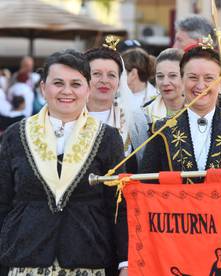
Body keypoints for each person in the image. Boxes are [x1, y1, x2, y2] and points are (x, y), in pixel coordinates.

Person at [0, 49, 128, 276]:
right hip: (25, 256)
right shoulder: (16, 135)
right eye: (58, 83)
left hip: (88, 257)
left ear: (88, 89)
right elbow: (3, 200)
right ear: (42, 88)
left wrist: (124, 261)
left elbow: (117, 206)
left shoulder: (108, 138)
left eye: (76, 84)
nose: (66, 91)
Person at [139, 46, 221, 182]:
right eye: (193, 78)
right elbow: (147, 186)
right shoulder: (161, 130)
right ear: (182, 82)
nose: (201, 86)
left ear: (220, 85)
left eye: (209, 78)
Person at [84, 44, 148, 170]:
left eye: (111, 75)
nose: (104, 80)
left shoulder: (134, 120)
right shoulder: (69, 116)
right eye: (96, 74)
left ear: (120, 81)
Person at [173, 14, 221, 112]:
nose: (174, 46)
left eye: (179, 40)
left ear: (199, 41)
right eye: (193, 77)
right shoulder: (173, 68)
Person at [143, 48, 185, 123]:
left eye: (172, 76)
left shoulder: (200, 109)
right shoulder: (145, 113)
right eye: (160, 76)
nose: (165, 83)